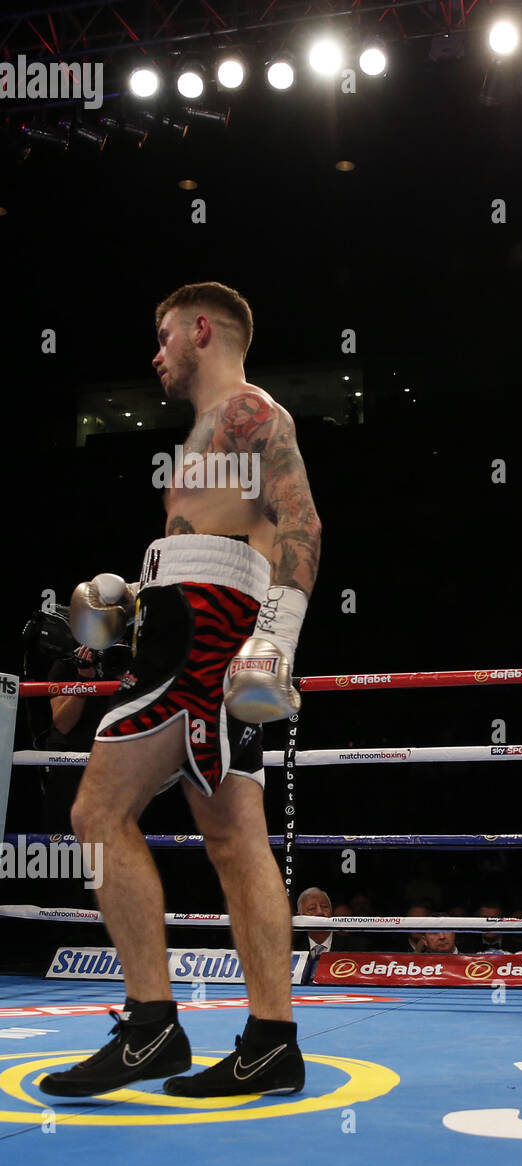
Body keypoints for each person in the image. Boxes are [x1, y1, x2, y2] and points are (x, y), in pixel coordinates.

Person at [40, 282, 322, 1100]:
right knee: (234, 836)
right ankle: (270, 1041)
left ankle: (151, 1026)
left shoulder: (248, 412)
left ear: (203, 329)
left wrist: (275, 639)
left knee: (98, 811)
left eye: (164, 335)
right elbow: (222, 541)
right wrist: (136, 595)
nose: (156, 353)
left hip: (206, 638)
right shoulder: (208, 433)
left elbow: (302, 525)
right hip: (192, 626)